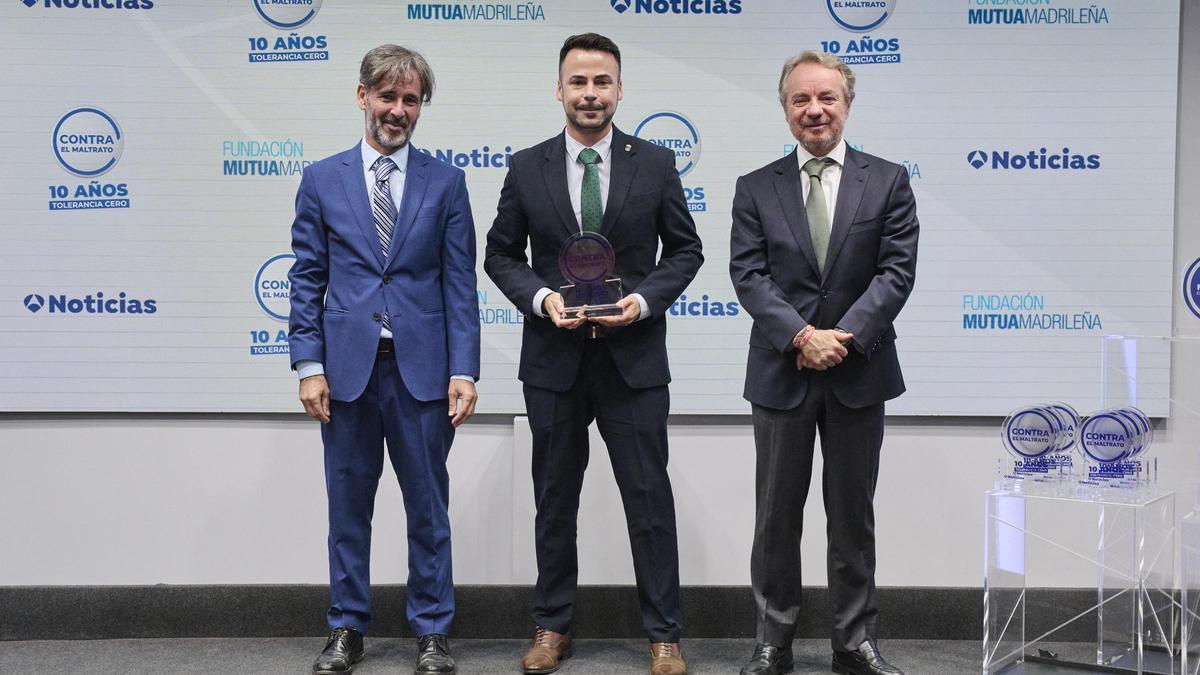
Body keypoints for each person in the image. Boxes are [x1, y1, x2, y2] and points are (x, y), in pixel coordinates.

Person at [484, 32, 703, 675]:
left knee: (648, 500)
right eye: (577, 83)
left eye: (601, 82)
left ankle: (664, 634)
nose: (589, 94)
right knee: (554, 499)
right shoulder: (526, 166)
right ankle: (552, 627)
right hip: (553, 361)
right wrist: (543, 298)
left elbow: (685, 251)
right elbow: (500, 254)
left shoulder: (657, 164)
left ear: (619, 90)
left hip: (633, 360)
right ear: (559, 90)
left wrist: (639, 303)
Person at [287, 44, 480, 675]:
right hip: (345, 374)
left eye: (411, 100)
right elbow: (307, 277)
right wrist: (308, 365)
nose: (398, 111)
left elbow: (459, 286)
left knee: (428, 509)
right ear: (362, 96)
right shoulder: (320, 178)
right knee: (348, 508)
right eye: (388, 97)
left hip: (422, 373)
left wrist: (465, 370)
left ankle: (431, 632)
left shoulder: (447, 182)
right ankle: (346, 627)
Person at [728, 51, 918, 675]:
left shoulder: (888, 180)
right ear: (785, 109)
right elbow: (749, 275)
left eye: (827, 98)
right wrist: (803, 335)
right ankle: (772, 642)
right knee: (775, 519)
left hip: (858, 373)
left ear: (847, 103)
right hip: (783, 372)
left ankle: (852, 642)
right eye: (801, 100)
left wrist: (842, 336)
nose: (815, 110)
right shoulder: (755, 187)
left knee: (852, 516)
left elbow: (896, 272)